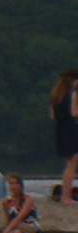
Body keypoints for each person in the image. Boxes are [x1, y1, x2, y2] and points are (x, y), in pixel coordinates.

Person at [51, 68, 78, 205]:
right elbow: (74, 113)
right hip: (69, 129)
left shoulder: (55, 95)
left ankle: (65, 194)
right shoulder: (72, 94)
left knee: (70, 163)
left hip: (59, 129)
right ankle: (66, 196)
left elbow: (52, 115)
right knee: (72, 163)